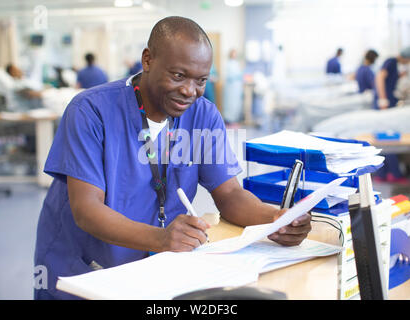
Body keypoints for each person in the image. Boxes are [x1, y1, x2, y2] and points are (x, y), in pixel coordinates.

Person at [34, 16, 312, 300]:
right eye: (178, 75)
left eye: (201, 80)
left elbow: (229, 193)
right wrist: (161, 238)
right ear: (147, 60)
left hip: (156, 265)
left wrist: (276, 220)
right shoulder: (90, 112)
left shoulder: (202, 115)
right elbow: (86, 209)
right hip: (84, 267)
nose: (189, 91)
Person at [373, 46, 410, 183]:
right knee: (388, 139)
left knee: (386, 138)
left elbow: (388, 78)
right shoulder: (391, 61)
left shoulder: (395, 65)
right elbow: (380, 77)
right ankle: (393, 174)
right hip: (385, 104)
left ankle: (384, 174)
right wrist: (383, 99)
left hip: (388, 103)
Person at [223, 49, 244, 126]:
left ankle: (234, 120)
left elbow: (240, 74)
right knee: (230, 104)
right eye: (233, 53)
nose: (235, 55)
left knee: (236, 104)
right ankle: (229, 120)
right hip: (231, 88)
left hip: (237, 89)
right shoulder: (229, 64)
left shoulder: (237, 64)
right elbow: (230, 76)